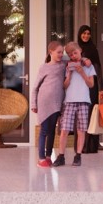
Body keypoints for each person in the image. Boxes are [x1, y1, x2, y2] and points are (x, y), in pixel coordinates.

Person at [53, 41, 96, 167]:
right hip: (69, 101)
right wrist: (70, 74)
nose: (73, 56)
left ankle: (78, 156)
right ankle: (61, 156)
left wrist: (82, 72)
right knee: (64, 129)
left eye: (75, 53)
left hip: (83, 101)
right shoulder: (68, 66)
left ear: (80, 50)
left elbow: (91, 85)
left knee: (81, 130)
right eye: (70, 55)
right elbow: (64, 86)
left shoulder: (89, 66)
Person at [29, 39, 66, 168]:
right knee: (44, 130)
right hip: (44, 102)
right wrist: (33, 104)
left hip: (57, 103)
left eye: (62, 52)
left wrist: (85, 60)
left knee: (52, 131)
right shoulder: (44, 67)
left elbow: (75, 58)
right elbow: (35, 87)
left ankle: (48, 156)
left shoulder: (63, 65)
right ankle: (41, 159)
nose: (61, 54)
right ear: (51, 52)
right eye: (58, 52)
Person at [75, 24, 103, 153]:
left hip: (92, 85)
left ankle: (91, 146)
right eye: (84, 33)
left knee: (92, 113)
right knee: (81, 114)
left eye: (88, 33)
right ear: (80, 34)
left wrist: (101, 88)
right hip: (79, 85)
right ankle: (81, 146)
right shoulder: (76, 48)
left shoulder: (93, 49)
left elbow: (98, 68)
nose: (86, 36)